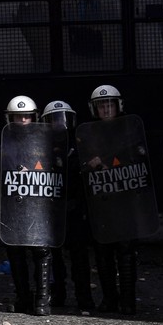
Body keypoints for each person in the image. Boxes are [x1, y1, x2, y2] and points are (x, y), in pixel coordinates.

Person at [80, 85, 143, 315]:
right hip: (102, 203)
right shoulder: (88, 133)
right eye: (101, 105)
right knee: (103, 252)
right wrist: (90, 165)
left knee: (125, 251)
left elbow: (140, 160)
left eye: (110, 105)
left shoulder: (129, 129)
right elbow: (82, 165)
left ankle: (128, 301)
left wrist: (116, 168)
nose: (106, 109)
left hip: (125, 200)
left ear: (118, 106)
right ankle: (109, 299)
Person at [0, 95, 59, 316]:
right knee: (15, 250)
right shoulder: (4, 142)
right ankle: (23, 297)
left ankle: (43, 299)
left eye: (26, 116)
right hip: (15, 205)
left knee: (41, 249)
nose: (22, 120)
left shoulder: (45, 140)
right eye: (18, 117)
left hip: (39, 205)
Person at [42, 100, 94, 311]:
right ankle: (57, 295)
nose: (60, 124)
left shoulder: (80, 144)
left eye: (63, 119)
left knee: (79, 256)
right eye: (54, 120)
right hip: (52, 207)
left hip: (74, 206)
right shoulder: (41, 146)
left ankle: (84, 297)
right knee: (54, 256)